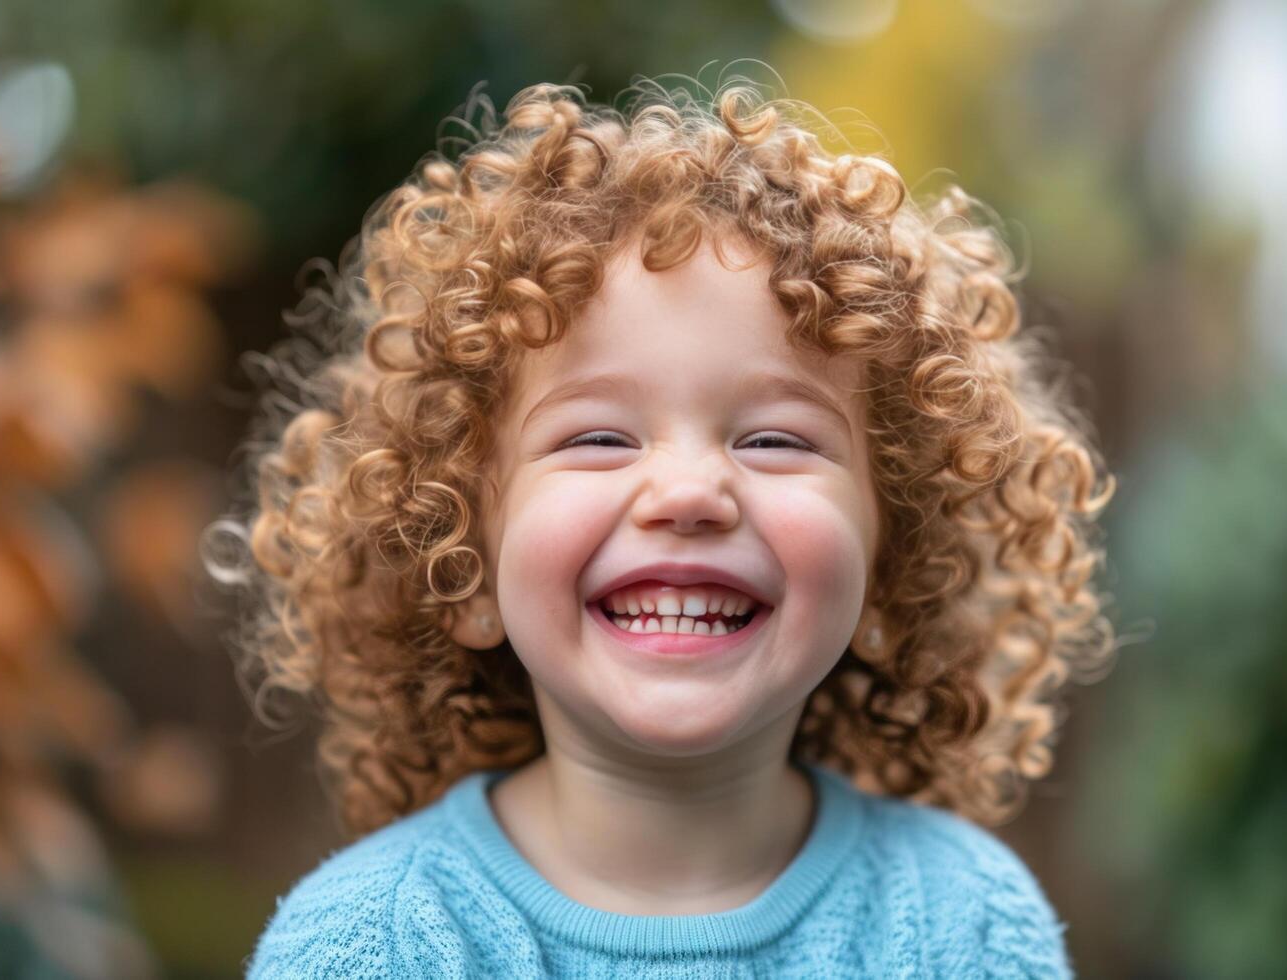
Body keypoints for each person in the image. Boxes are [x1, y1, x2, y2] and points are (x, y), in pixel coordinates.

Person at [210, 73, 1118, 978]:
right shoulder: (378, 943)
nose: (688, 491)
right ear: (464, 570)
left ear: (891, 571)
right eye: (599, 436)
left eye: (773, 438)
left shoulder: (962, 924)